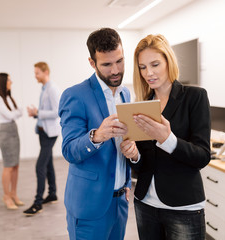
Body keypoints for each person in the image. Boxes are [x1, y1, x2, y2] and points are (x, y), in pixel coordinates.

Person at [125, 34, 211, 239]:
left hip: (183, 206)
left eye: (155, 64)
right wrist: (134, 155)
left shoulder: (194, 97)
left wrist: (168, 139)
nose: (149, 73)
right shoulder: (141, 106)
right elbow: (142, 164)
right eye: (143, 67)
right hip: (145, 204)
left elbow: (202, 156)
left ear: (168, 61)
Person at [58, 28, 137, 239]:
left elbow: (123, 147)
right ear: (92, 63)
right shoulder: (75, 95)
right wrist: (96, 136)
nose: (115, 70)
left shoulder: (126, 93)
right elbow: (69, 150)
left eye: (119, 61)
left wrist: (126, 182)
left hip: (120, 202)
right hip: (89, 206)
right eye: (107, 64)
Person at [23, 62, 61, 216]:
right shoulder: (44, 88)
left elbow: (57, 112)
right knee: (48, 163)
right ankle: (52, 194)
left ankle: (37, 203)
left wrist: (38, 112)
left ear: (45, 72)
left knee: (40, 166)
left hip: (50, 133)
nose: (35, 76)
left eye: (37, 73)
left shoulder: (52, 89)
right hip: (44, 132)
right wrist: (36, 114)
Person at [0, 72, 24, 210]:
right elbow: (12, 114)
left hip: (13, 131)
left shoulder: (8, 98)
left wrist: (15, 113)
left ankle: (13, 194)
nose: (11, 82)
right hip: (5, 132)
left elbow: (19, 112)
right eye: (9, 80)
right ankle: (6, 196)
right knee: (8, 166)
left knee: (15, 165)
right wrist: (16, 113)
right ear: (3, 82)